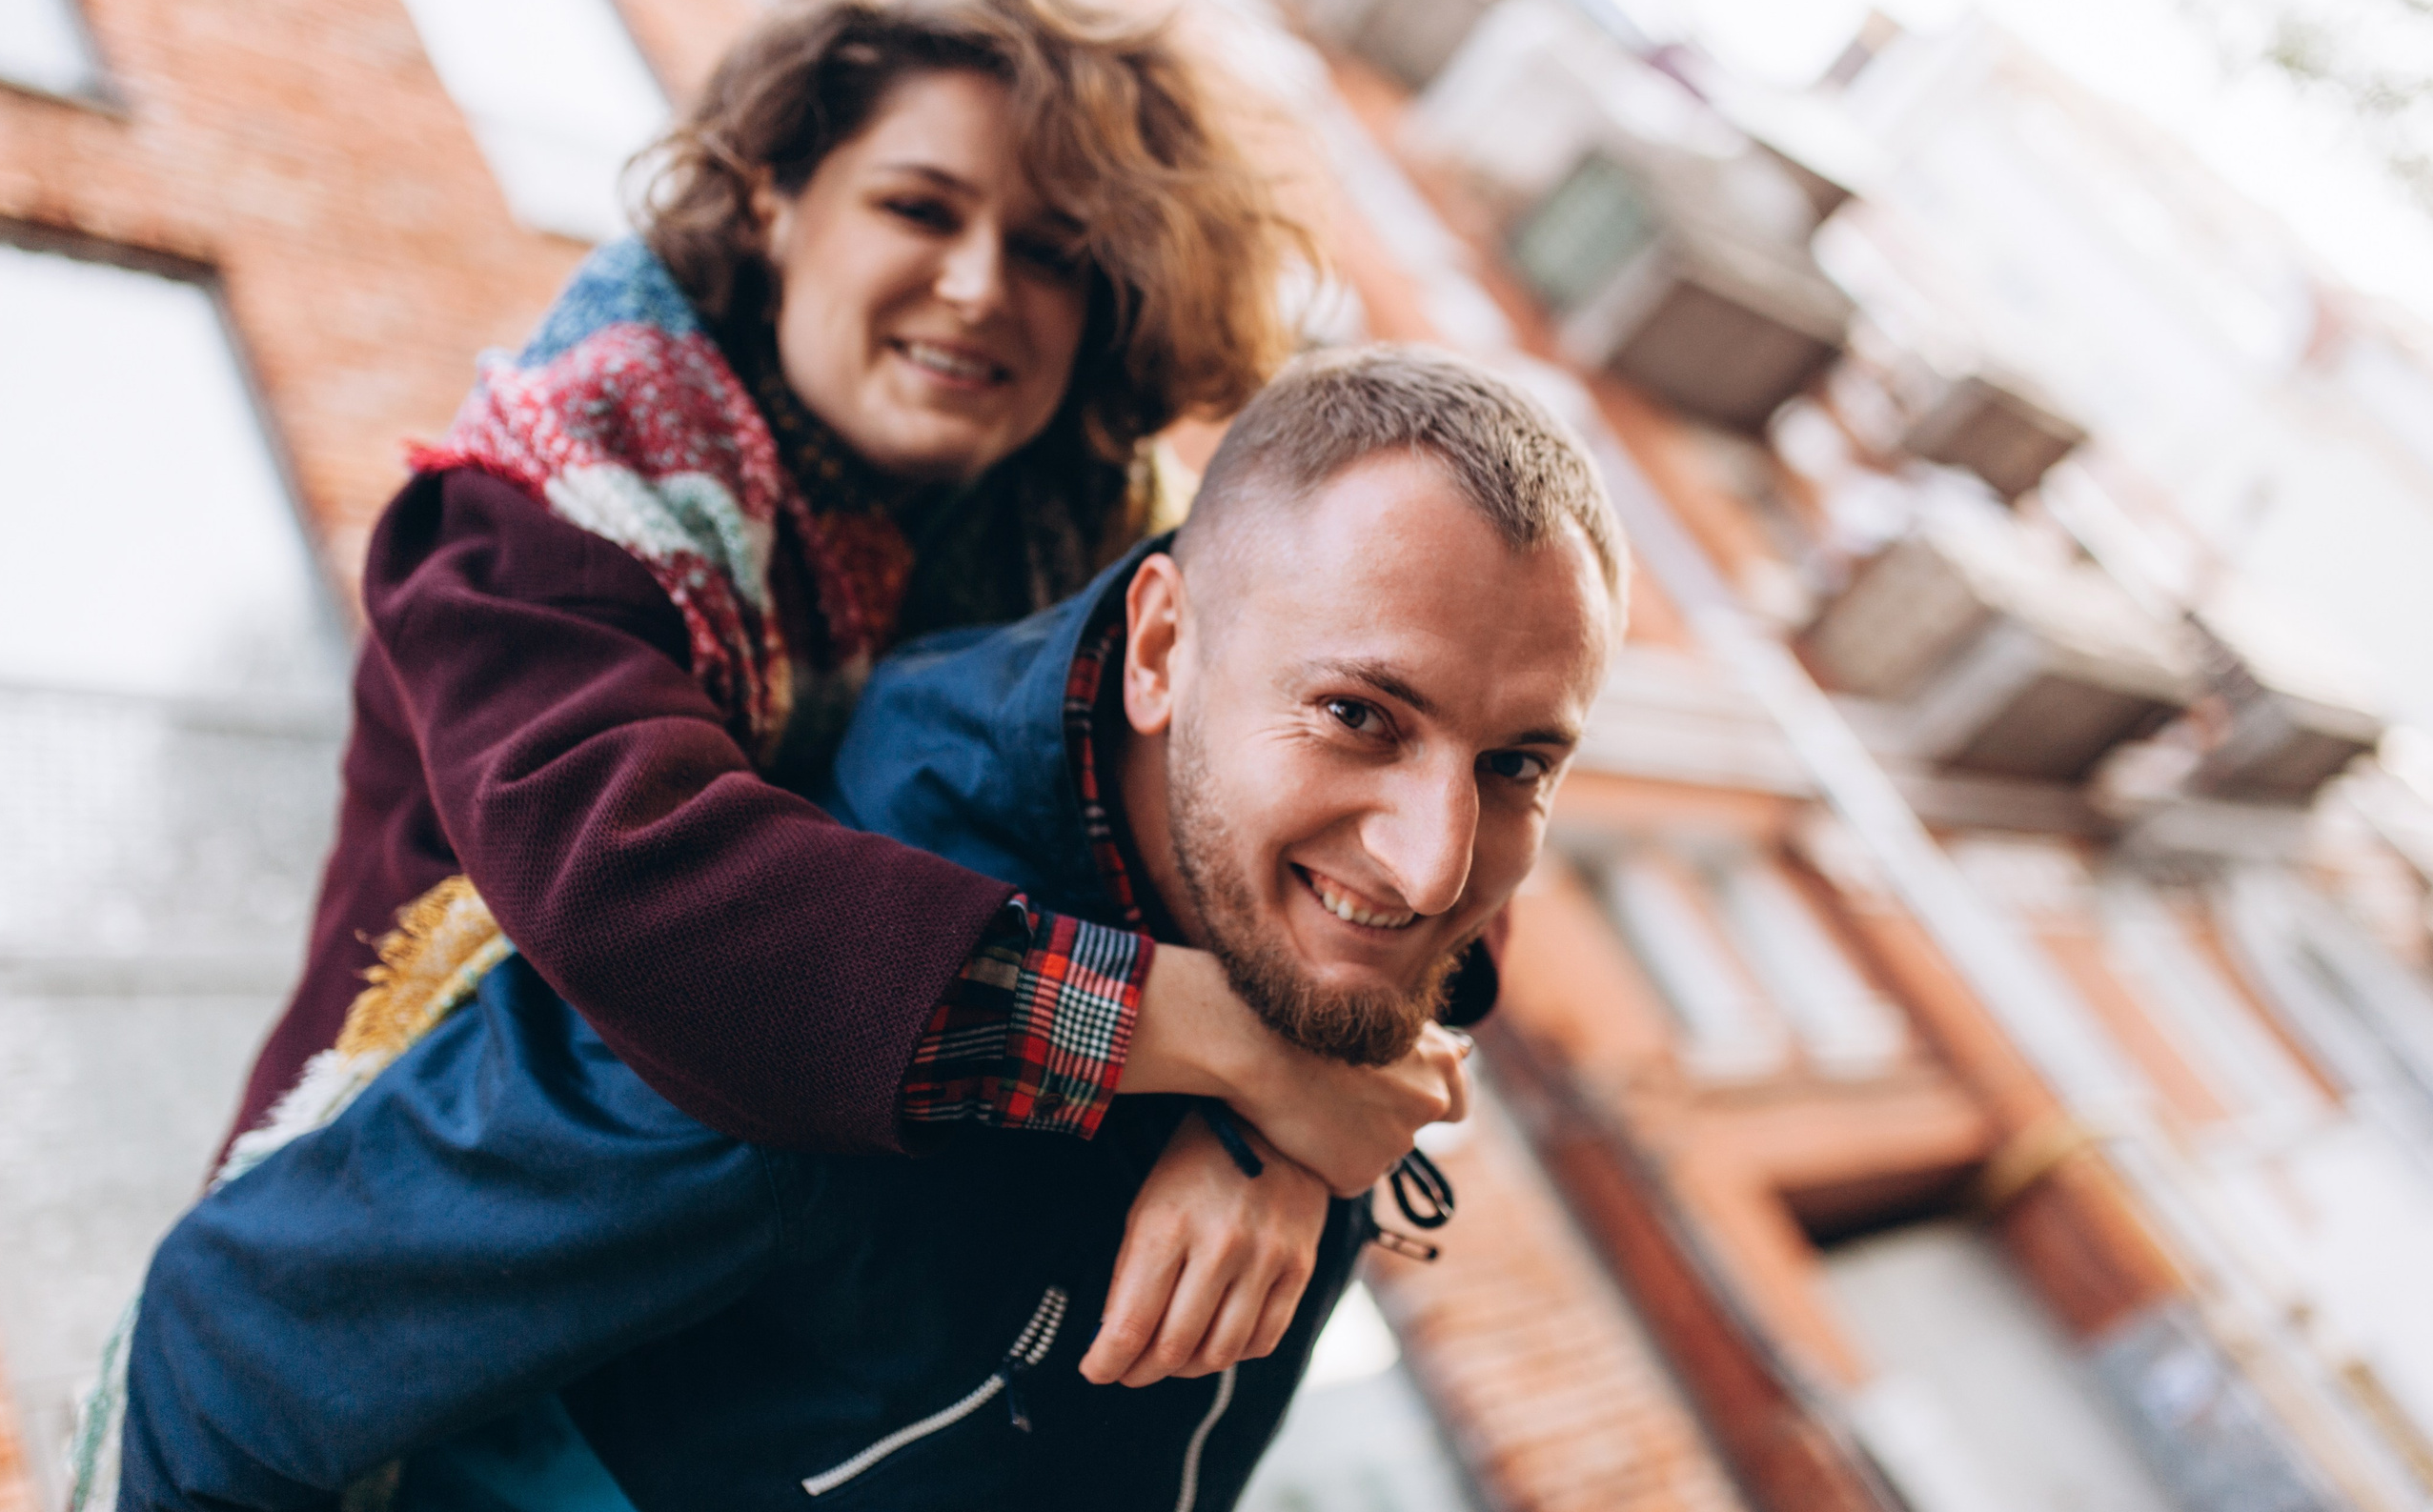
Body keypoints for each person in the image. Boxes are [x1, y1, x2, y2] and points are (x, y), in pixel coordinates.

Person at [218, 0, 1468, 1388]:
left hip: (805, 1337)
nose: (981, 286)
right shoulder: (538, 505)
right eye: (919, 208)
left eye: (1056, 249)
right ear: (774, 202)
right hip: (404, 1277)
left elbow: (1414, 820)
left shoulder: (1124, 540)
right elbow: (643, 895)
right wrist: (1240, 1047)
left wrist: (1273, 1129)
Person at [119, 345, 1629, 1512]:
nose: (1436, 866)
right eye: (1359, 716)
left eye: (1518, 765)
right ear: (1164, 649)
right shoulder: (807, 1009)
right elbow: (234, 1330)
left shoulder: (1321, 925)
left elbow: (1436, 939)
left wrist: (1274, 1123)